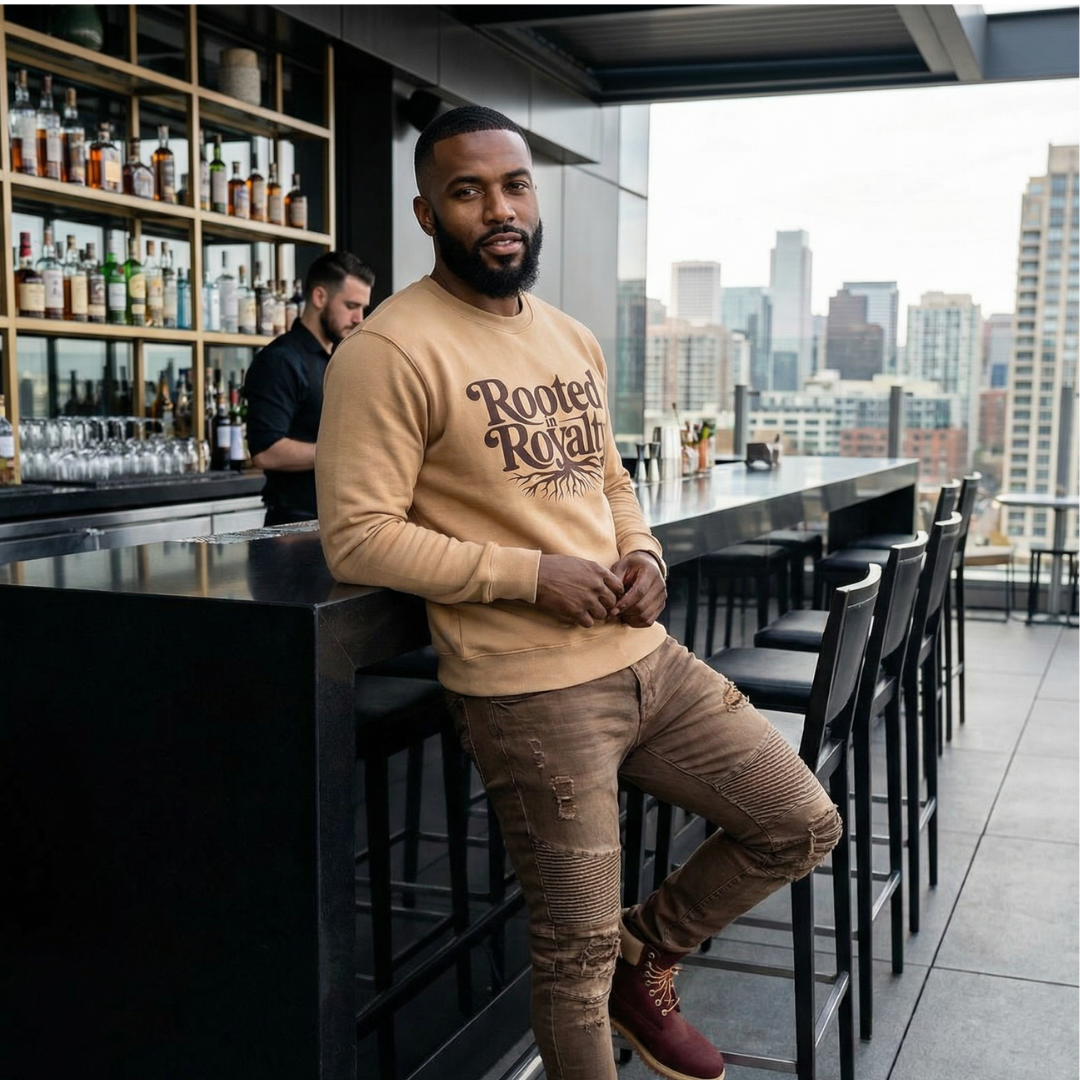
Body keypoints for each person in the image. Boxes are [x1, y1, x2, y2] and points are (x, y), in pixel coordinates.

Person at [316, 106, 842, 1080]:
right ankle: (617, 964)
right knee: (572, 956)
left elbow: (607, 481)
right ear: (428, 213)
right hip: (528, 690)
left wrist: (645, 554)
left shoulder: (572, 339)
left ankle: (652, 952)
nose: (498, 209)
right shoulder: (384, 352)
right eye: (468, 192)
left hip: (648, 663)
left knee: (801, 821)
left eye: (513, 186)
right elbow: (357, 538)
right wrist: (530, 574)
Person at [245, 251, 374, 526]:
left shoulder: (340, 359)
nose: (359, 318)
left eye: (363, 308)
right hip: (293, 528)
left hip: (340, 522)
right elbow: (266, 452)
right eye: (351, 305)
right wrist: (345, 453)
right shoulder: (279, 361)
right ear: (319, 297)